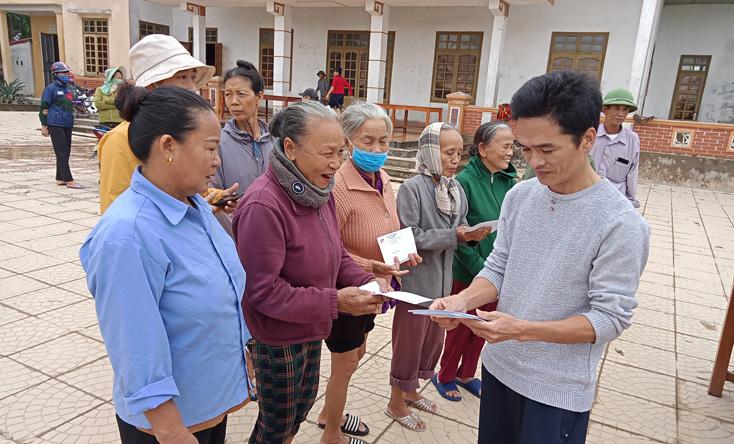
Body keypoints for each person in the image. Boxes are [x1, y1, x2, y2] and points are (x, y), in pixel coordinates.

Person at [429, 70, 650, 444]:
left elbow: (609, 319)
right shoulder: (521, 196)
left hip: (555, 389)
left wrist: (522, 329)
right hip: (500, 368)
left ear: (587, 139)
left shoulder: (620, 223)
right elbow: (499, 267)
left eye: (547, 150)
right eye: (525, 149)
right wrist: (461, 301)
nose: (535, 161)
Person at [80, 84, 252, 444]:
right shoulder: (127, 234)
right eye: (209, 148)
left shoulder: (196, 205)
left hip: (208, 403)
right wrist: (171, 430)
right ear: (168, 146)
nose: (217, 160)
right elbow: (133, 345)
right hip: (169, 424)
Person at [232, 101, 389, 444]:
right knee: (276, 425)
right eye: (327, 153)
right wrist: (337, 302)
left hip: (311, 326)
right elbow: (264, 292)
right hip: (278, 337)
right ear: (290, 148)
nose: (336, 163)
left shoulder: (319, 190)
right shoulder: (264, 204)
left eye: (341, 152)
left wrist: (365, 280)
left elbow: (336, 253)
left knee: (297, 413)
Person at [320, 101, 422, 444]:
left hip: (378, 288)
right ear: (348, 141)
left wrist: (402, 252)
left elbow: (386, 225)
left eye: (384, 141)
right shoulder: (337, 186)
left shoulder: (383, 177)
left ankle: (326, 413)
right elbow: (328, 247)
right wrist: (368, 266)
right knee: (346, 364)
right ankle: (331, 432)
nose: (377, 149)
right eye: (368, 141)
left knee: (359, 353)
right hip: (350, 289)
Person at [386, 122, 491, 433]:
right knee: (408, 344)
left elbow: (459, 230)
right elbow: (409, 236)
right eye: (448, 152)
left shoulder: (454, 188)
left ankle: (412, 390)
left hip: (444, 285)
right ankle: (395, 401)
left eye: (459, 152)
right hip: (416, 284)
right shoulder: (412, 188)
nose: (455, 158)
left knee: (431, 343)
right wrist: (453, 236)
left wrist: (472, 236)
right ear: (430, 152)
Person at [97, 34, 237, 214]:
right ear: (153, 85)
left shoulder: (180, 129)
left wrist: (216, 197)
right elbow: (117, 208)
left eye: (193, 78)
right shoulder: (121, 139)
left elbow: (179, 185)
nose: (193, 88)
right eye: (182, 77)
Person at [432, 121, 517, 402]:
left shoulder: (509, 182)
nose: (511, 151)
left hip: (498, 271)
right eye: (505, 146)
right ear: (483, 149)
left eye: (512, 145)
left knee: (485, 325)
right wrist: (481, 269)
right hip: (469, 271)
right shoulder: (464, 182)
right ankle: (444, 375)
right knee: (460, 325)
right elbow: (459, 232)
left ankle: (467, 373)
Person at [210, 60, 274, 237]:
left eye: (241, 94)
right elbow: (215, 196)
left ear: (259, 97)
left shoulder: (275, 140)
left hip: (274, 234)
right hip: (236, 237)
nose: (234, 102)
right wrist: (240, 237)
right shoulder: (218, 143)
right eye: (228, 94)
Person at [590, 88, 641, 208]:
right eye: (616, 108)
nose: (621, 114)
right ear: (605, 109)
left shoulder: (632, 140)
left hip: (615, 203)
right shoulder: (589, 135)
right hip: (587, 198)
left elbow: (632, 174)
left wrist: (631, 202)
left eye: (625, 110)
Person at [39, 61, 84, 189]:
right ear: (56, 74)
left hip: (67, 122)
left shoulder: (68, 88)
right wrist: (44, 125)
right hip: (55, 123)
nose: (65, 75)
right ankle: (69, 180)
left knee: (66, 151)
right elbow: (43, 107)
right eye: (62, 73)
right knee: (62, 152)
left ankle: (60, 177)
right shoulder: (50, 89)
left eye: (66, 73)